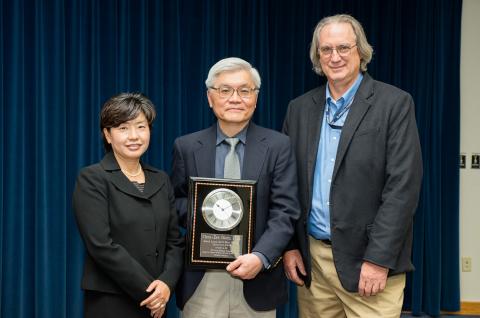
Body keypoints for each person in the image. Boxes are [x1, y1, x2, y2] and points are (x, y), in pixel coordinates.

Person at [282, 14, 423, 318]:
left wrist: (378, 259)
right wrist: (290, 246)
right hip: (313, 263)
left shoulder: (394, 104)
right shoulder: (299, 109)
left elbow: (402, 188)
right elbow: (287, 185)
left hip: (368, 263)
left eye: (344, 48)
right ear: (317, 56)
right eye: (326, 50)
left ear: (361, 51)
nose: (335, 57)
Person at [171, 57, 301, 318]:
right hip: (202, 283)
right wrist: (209, 214)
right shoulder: (186, 146)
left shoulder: (278, 146)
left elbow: (285, 211)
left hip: (257, 279)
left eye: (244, 90)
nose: (235, 98)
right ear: (210, 97)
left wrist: (261, 257)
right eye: (225, 90)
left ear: (255, 97)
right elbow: (175, 202)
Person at [73, 93, 184, 318]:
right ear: (107, 134)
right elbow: (101, 245)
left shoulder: (161, 179)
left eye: (141, 127)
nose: (134, 136)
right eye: (123, 128)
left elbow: (174, 242)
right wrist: (152, 292)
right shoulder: (92, 178)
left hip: (158, 299)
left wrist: (165, 284)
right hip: (111, 300)